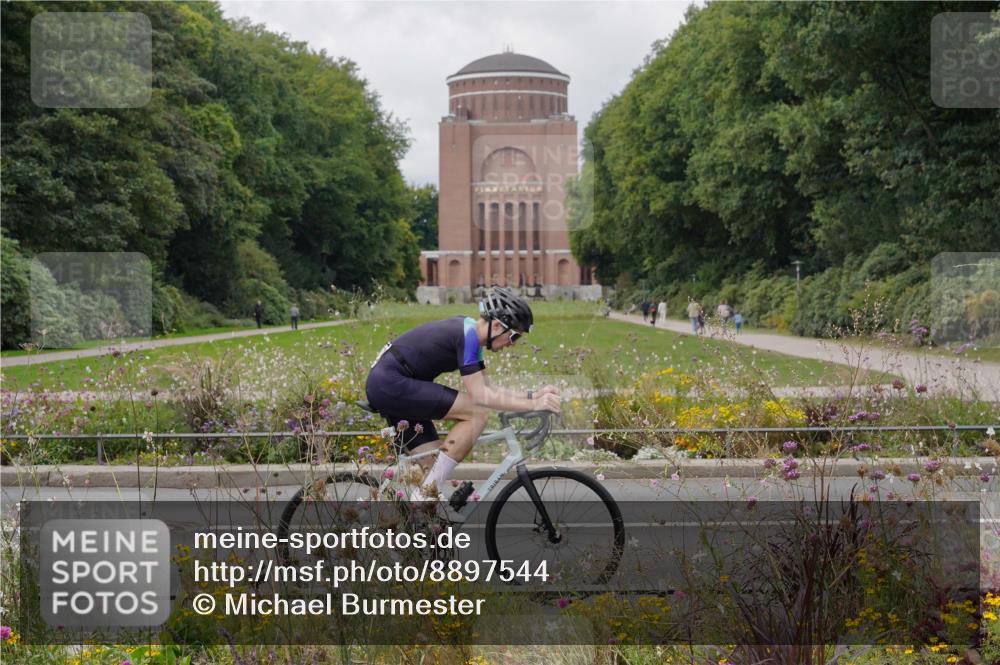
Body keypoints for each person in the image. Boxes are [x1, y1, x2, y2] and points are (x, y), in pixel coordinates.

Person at [365, 286, 561, 503]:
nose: (512, 345)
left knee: (433, 467)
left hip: (393, 384)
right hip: (390, 383)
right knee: (477, 412)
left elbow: (489, 388)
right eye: (514, 337)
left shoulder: (471, 336)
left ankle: (416, 524)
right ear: (497, 326)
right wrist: (533, 406)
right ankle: (424, 496)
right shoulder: (468, 335)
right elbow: (481, 397)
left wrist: (532, 396)